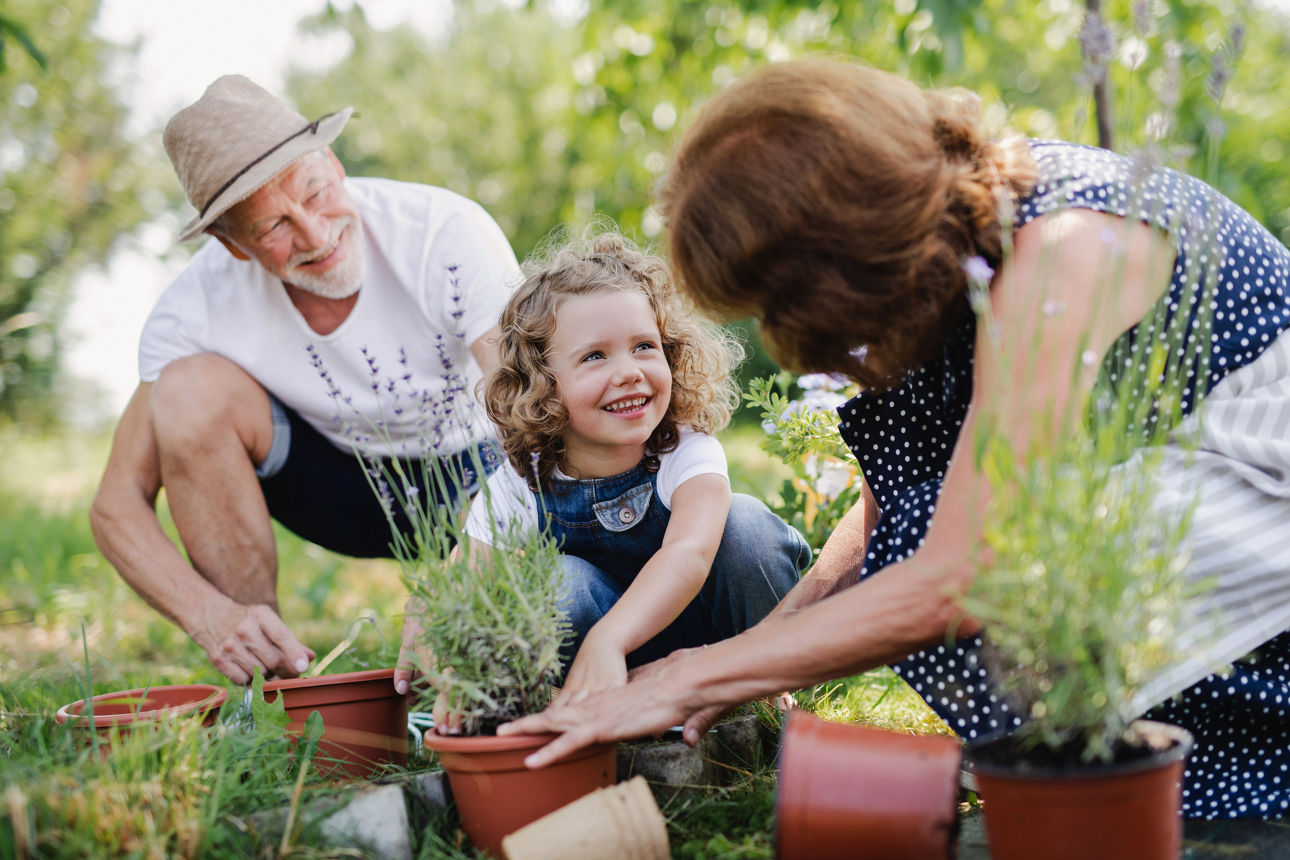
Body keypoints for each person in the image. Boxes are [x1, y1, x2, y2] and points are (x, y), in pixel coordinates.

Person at [499, 58, 1290, 819]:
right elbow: (896, 507)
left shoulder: (1062, 250)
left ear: (840, 250)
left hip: (1262, 491)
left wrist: (689, 676)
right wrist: (762, 655)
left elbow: (962, 571)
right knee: (916, 529)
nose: (779, 331)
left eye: (776, 298)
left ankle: (1172, 772)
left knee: (963, 563)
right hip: (1182, 501)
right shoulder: (958, 253)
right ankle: (1098, 772)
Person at [89, 75, 520, 686]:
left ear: (335, 165)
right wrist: (209, 616)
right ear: (231, 244)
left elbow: (540, 423)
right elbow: (115, 506)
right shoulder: (192, 309)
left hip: (476, 472)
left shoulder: (446, 232)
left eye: (315, 193)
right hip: (336, 488)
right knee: (186, 392)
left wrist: (472, 562)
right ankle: (267, 685)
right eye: (272, 227)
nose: (316, 236)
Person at [395, 232, 810, 718]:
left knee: (747, 527)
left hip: (713, 645)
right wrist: (441, 640)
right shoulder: (523, 480)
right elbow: (466, 580)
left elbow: (689, 553)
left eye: (644, 347)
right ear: (544, 385)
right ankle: (604, 707)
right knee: (554, 582)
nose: (630, 371)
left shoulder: (686, 449)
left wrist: (611, 640)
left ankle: (762, 683)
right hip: (603, 667)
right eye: (595, 356)